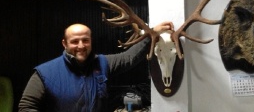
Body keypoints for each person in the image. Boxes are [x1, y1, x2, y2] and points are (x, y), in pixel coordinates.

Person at [18, 21, 174, 112]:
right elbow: (26, 107)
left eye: (85, 40)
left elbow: (129, 58)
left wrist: (152, 34)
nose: (81, 46)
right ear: (64, 44)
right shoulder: (44, 73)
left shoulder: (102, 63)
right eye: (74, 41)